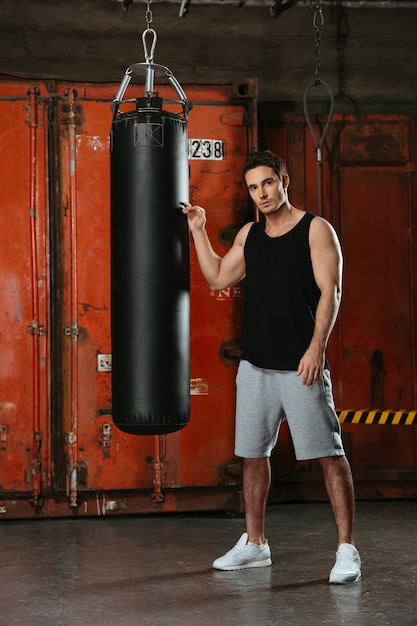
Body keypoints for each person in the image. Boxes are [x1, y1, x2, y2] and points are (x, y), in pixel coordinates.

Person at [182, 150, 361, 584]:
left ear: (284, 181)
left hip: (301, 365)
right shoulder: (250, 235)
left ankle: (346, 550)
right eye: (253, 187)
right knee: (252, 456)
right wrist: (199, 232)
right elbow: (219, 278)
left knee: (329, 456)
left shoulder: (316, 230)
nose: (261, 193)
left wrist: (316, 348)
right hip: (256, 367)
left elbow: (330, 293)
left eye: (267, 183)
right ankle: (256, 544)